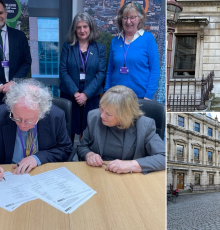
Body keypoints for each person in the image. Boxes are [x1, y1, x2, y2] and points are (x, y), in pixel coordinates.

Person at [78, 85, 165, 174]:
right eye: (101, 108)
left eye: (108, 114)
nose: (102, 115)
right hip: (98, 173)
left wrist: (130, 165)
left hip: (130, 178)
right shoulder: (94, 117)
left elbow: (164, 157)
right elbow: (82, 146)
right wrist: (89, 155)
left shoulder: (144, 126)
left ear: (124, 116)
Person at [0, 79, 72, 175]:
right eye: (17, 118)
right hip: (9, 172)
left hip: (41, 171)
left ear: (41, 114)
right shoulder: (1, 114)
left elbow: (65, 149)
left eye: (28, 121)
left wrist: (37, 158)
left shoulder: (55, 116)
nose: (22, 125)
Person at [59, 12, 106, 144]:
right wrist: (76, 93)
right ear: (74, 29)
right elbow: (63, 71)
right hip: (70, 94)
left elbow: (101, 73)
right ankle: (66, 157)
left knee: (89, 130)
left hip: (91, 96)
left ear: (90, 28)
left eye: (85, 26)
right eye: (78, 27)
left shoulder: (99, 49)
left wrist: (85, 94)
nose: (82, 30)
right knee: (67, 131)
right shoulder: (68, 47)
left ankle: (86, 158)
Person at [104, 1, 160, 100]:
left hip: (139, 98)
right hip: (115, 97)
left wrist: (148, 96)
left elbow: (154, 70)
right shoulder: (115, 41)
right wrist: (106, 93)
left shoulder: (148, 39)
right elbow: (110, 70)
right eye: (125, 17)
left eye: (132, 17)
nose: (128, 21)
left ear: (140, 18)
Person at [0, 0, 32, 105]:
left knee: (15, 120)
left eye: (0, 13)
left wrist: (14, 82)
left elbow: (26, 62)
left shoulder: (19, 36)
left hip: (16, 92)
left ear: (6, 14)